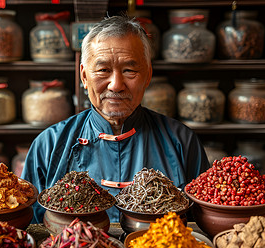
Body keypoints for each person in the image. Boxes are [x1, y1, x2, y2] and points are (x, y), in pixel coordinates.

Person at [22, 15, 210, 223]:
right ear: (84, 77)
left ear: (148, 75)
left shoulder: (181, 142)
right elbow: (29, 226)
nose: (116, 85)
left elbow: (201, 223)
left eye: (129, 70)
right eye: (103, 70)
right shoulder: (49, 145)